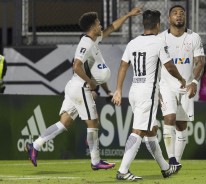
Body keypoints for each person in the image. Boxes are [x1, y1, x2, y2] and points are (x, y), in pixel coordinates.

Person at [25, 6, 143, 170]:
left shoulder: (94, 40)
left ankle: (35, 145)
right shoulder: (86, 43)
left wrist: (128, 15)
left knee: (64, 123)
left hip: (75, 87)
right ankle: (95, 161)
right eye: (98, 23)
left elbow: (112, 27)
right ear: (92, 26)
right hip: (81, 88)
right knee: (93, 122)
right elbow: (76, 66)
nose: (101, 25)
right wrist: (90, 83)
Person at [112, 9, 186, 181]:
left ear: (144, 24)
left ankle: (165, 168)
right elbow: (169, 67)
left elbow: (123, 66)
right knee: (138, 130)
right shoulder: (159, 42)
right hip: (148, 92)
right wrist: (181, 79)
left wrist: (118, 89)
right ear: (158, 24)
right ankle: (123, 171)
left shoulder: (133, 43)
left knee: (151, 131)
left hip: (134, 90)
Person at [158, 5, 205, 170]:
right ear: (169, 18)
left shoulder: (194, 37)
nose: (179, 16)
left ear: (185, 18)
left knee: (181, 126)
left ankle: (176, 161)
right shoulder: (161, 38)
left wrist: (195, 82)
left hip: (186, 88)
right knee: (169, 118)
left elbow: (200, 61)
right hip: (166, 86)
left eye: (182, 13)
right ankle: (171, 159)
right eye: (175, 13)